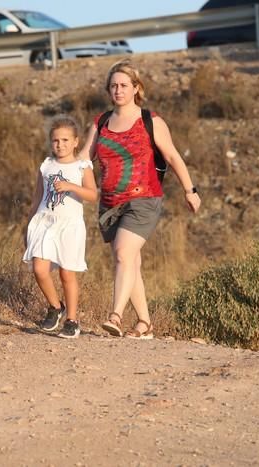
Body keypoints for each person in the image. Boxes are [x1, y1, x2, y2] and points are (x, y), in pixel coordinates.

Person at [77, 58, 201, 339]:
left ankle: (115, 316)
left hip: (143, 199)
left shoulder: (150, 121)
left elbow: (172, 156)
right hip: (110, 202)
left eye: (123, 85)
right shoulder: (102, 122)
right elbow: (86, 156)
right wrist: (58, 170)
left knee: (123, 253)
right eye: (113, 86)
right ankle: (145, 323)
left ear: (136, 88)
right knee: (129, 262)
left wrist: (190, 190)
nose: (118, 90)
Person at [23, 115, 98, 339]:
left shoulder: (82, 166)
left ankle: (72, 320)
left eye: (66, 140)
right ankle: (56, 307)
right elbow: (37, 197)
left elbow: (93, 195)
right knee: (39, 269)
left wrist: (71, 186)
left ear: (76, 142)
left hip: (69, 225)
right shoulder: (46, 166)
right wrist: (28, 224)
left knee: (67, 273)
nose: (60, 145)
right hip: (44, 221)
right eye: (56, 140)